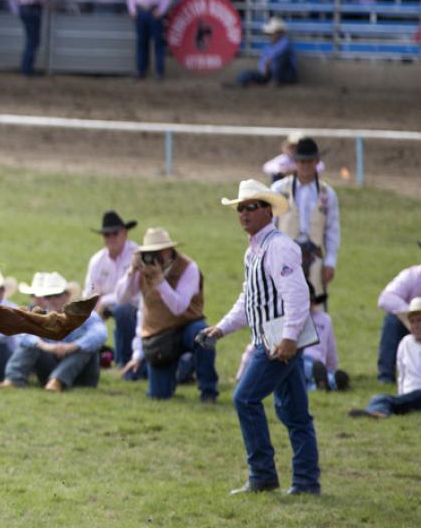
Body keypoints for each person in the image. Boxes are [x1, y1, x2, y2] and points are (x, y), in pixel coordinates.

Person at [200, 179, 319, 496]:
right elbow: (249, 299)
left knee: (245, 398)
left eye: (250, 207)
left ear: (267, 211)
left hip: (277, 342)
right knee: (294, 414)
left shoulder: (278, 247)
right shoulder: (256, 249)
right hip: (276, 340)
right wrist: (222, 328)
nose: (243, 213)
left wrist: (290, 338)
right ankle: (306, 482)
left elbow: (296, 295)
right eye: (240, 208)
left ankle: (263, 475)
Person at [270, 137, 341, 388]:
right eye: (301, 161)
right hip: (287, 255)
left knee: (315, 306)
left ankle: (316, 357)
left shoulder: (327, 193)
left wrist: (330, 261)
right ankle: (280, 350)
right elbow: (272, 226)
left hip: (313, 257)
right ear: (295, 162)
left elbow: (332, 229)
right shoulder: (280, 189)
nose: (305, 166)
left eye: (309, 161)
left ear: (317, 162)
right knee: (282, 303)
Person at [117, 228, 217, 401]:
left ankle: (208, 391)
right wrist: (131, 271)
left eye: (157, 252)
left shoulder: (188, 268)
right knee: (158, 395)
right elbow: (122, 298)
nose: (153, 257)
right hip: (160, 334)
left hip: (187, 326)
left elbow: (178, 307)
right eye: (149, 253)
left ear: (169, 250)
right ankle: (184, 366)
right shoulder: (143, 270)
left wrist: (160, 282)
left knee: (204, 335)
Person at [1, 272, 104, 391]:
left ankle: (57, 380)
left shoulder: (85, 315)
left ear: (67, 295)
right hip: (51, 365)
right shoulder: (40, 315)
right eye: (48, 296)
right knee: (30, 343)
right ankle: (13, 379)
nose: (53, 300)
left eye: (57, 295)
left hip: (82, 375)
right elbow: (23, 334)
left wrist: (72, 346)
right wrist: (45, 346)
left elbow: (100, 333)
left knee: (87, 346)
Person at [85, 210, 143, 376]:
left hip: (136, 306)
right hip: (106, 307)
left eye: (115, 233)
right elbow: (90, 291)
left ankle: (125, 361)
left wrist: (104, 301)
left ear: (124, 233)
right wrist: (90, 311)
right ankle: (92, 358)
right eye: (106, 235)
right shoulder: (97, 260)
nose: (110, 238)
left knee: (122, 311)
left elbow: (133, 294)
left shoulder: (137, 255)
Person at [351, 298, 421, 419]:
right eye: (412, 321)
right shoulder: (406, 342)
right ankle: (379, 412)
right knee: (383, 399)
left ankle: (379, 411)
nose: (416, 325)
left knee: (383, 399)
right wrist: (402, 393)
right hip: (409, 394)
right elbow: (402, 372)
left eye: (419, 321)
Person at [376, 246, 421, 385]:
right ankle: (386, 376)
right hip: (411, 326)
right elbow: (385, 298)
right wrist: (413, 314)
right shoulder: (412, 275)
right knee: (392, 321)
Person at [237, 18, 299, 87]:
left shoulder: (286, 42)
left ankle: (275, 80)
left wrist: (269, 61)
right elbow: (262, 61)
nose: (270, 36)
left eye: (272, 33)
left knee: (281, 57)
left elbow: (279, 53)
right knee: (245, 74)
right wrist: (264, 68)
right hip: (270, 73)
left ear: (279, 33)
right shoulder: (267, 47)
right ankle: (244, 82)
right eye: (269, 34)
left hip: (286, 73)